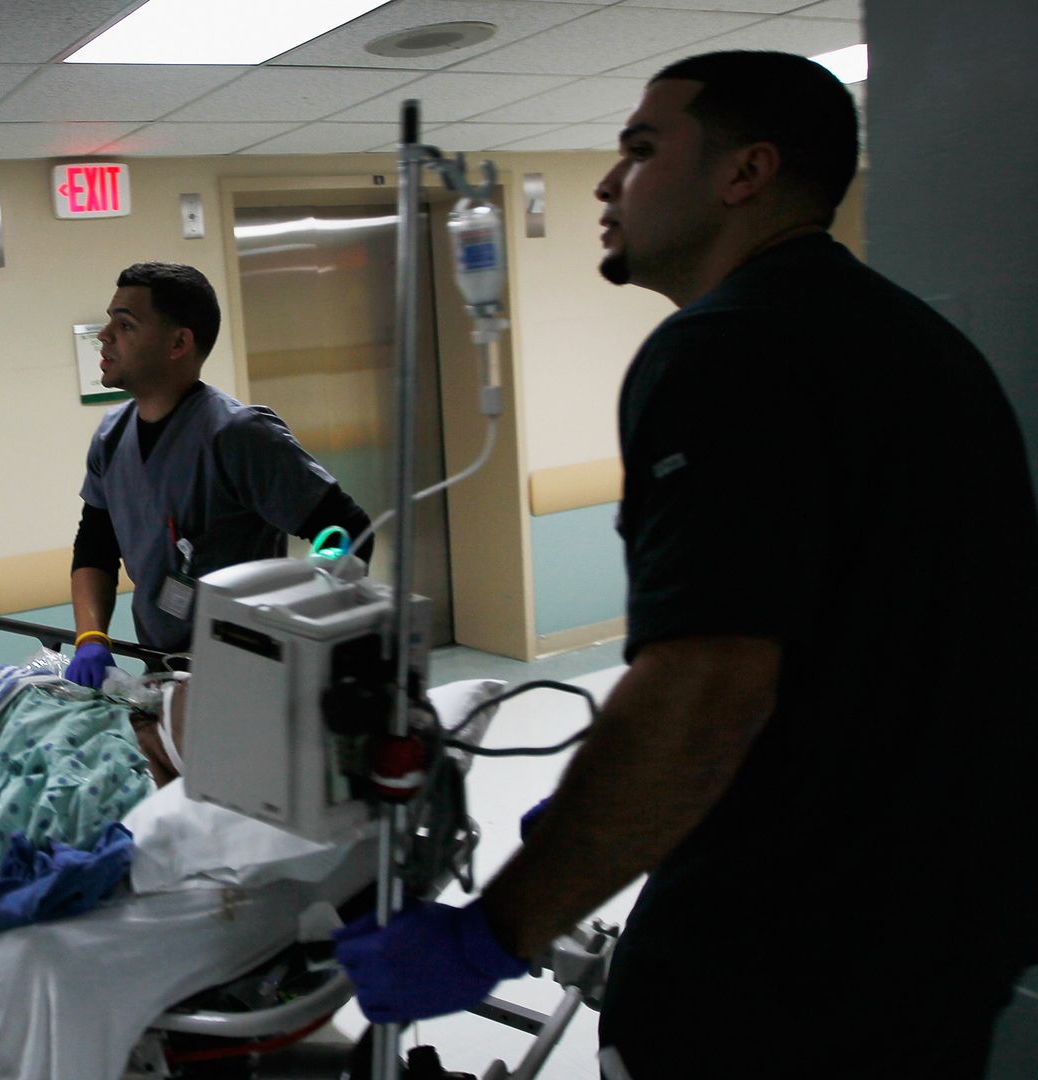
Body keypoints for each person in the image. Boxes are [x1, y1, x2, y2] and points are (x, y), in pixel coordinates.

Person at [333, 51, 1038, 1077]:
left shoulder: (727, 352)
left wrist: (497, 930)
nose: (605, 183)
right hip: (941, 921)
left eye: (641, 148)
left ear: (744, 173)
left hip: (791, 954)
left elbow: (707, 686)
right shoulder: (910, 341)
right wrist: (613, 805)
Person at [67, 262, 373, 687]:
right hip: (164, 669)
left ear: (178, 343)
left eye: (125, 324)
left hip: (249, 671)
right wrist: (91, 637)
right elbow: (94, 547)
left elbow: (348, 531)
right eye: (109, 321)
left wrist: (304, 621)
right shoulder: (112, 436)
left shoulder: (237, 435)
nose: (104, 335)